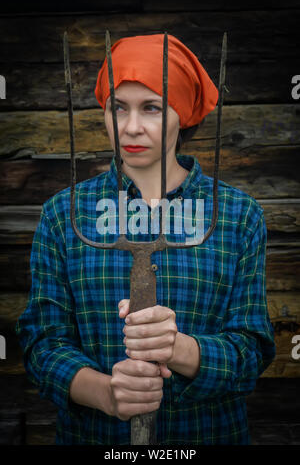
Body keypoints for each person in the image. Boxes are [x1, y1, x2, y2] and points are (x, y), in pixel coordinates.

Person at [16, 33, 276, 445]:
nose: (130, 127)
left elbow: (253, 351)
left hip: (208, 435)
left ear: (183, 115)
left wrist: (179, 349)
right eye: (118, 108)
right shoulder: (66, 214)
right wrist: (105, 392)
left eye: (152, 108)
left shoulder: (236, 214)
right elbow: (42, 343)